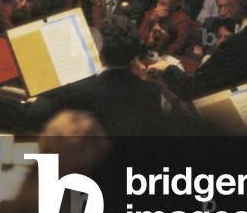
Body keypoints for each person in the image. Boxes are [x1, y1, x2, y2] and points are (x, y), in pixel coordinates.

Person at [28, 16, 162, 135]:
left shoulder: (78, 90)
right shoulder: (151, 92)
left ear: (98, 49)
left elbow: (36, 114)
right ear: (134, 53)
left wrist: (40, 100)